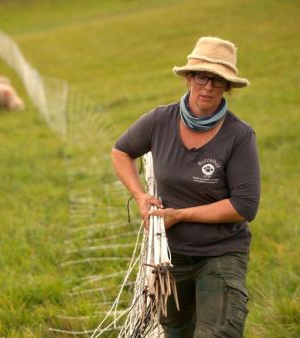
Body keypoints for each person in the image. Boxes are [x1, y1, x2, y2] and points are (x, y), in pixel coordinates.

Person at [111, 36, 260, 338]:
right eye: (201, 76)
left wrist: (180, 215)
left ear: (227, 86)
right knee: (176, 331)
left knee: (216, 333)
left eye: (218, 81)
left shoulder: (239, 136)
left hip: (221, 252)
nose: (208, 87)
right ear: (189, 78)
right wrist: (140, 196)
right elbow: (121, 151)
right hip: (169, 255)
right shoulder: (159, 120)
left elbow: (244, 206)